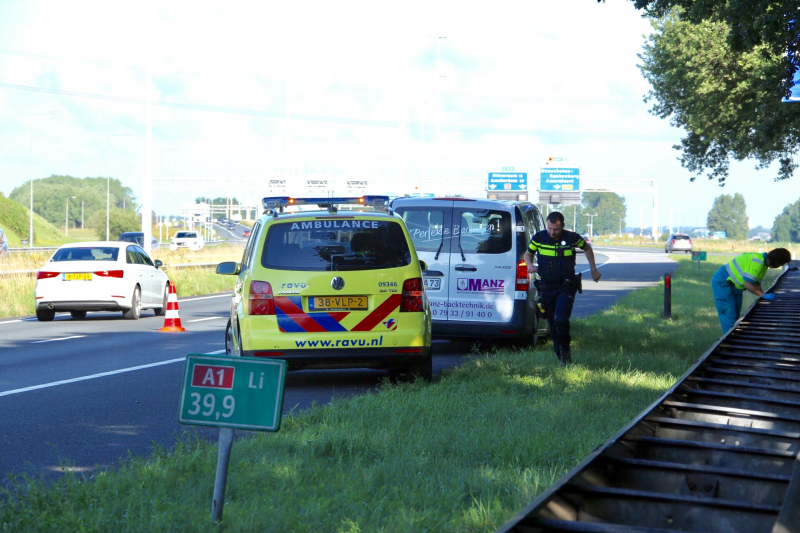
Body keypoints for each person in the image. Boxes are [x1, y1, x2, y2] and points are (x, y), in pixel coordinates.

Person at [523, 212, 602, 365]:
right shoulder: (539, 238)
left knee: (561, 319)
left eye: (556, 229)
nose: (552, 232)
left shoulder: (572, 238)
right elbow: (528, 254)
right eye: (550, 228)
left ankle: (565, 352)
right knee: (552, 321)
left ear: (563, 226)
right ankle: (559, 352)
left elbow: (587, 249)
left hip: (566, 286)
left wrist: (593, 269)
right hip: (546, 287)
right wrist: (529, 265)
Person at [712, 248, 791, 333]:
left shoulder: (764, 266)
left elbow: (756, 285)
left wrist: (763, 294)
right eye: (781, 263)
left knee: (735, 316)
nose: (779, 266)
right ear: (777, 260)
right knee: (730, 316)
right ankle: (727, 343)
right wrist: (762, 295)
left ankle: (732, 336)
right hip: (723, 283)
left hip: (735, 287)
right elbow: (748, 284)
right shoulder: (758, 261)